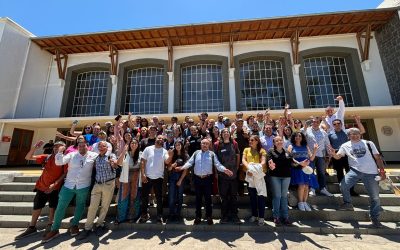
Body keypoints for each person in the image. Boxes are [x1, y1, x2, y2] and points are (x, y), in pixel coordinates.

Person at [42, 138, 98, 243]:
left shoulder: (93, 155)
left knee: (80, 206)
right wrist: (60, 151)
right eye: (79, 146)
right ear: (77, 147)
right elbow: (59, 162)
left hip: (83, 186)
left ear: (87, 146)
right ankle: (55, 229)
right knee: (60, 207)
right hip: (68, 185)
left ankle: (74, 225)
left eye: (84, 145)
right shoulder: (72, 155)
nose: (81, 147)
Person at [328, 128, 386, 228]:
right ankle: (348, 203)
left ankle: (374, 217)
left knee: (375, 197)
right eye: (352, 134)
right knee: (343, 185)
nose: (355, 135)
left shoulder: (368, 143)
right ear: (348, 136)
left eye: (357, 133)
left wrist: (382, 171)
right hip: (355, 171)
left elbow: (377, 157)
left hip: (371, 173)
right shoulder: (345, 145)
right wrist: (333, 154)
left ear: (360, 134)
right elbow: (338, 156)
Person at [15, 140, 67, 240]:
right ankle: (31, 227)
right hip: (41, 186)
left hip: (55, 188)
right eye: (55, 147)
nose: (57, 148)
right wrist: (34, 147)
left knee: (53, 207)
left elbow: (64, 173)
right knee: (37, 207)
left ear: (64, 148)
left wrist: (55, 184)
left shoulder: (64, 159)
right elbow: (28, 157)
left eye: (60, 147)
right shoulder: (46, 157)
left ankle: (50, 226)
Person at [176, 139, 233, 225]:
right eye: (203, 143)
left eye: (206, 143)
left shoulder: (212, 154)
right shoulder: (196, 153)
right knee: (198, 199)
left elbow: (217, 165)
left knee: (208, 199)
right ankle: (198, 216)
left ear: (209, 145)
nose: (205, 145)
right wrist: (182, 168)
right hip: (197, 179)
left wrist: (225, 170)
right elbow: (190, 162)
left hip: (207, 179)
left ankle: (209, 216)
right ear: (201, 144)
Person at [77, 141, 119, 240]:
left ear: (107, 147)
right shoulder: (96, 157)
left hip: (108, 184)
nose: (101, 147)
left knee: (104, 206)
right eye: (99, 146)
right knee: (92, 207)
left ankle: (100, 224)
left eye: (103, 146)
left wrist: (113, 164)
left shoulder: (111, 156)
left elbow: (115, 165)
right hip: (97, 184)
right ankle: (87, 227)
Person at [328, 115, 365, 196]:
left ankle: (351, 190)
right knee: (340, 173)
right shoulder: (330, 134)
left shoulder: (348, 132)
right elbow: (328, 145)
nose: (337, 125)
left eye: (338, 123)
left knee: (350, 173)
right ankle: (344, 190)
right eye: (335, 124)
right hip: (337, 155)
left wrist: (358, 121)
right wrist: (331, 154)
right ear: (332, 125)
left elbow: (362, 131)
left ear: (341, 124)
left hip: (348, 155)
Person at [139, 135, 169, 223]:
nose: (160, 139)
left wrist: (170, 155)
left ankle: (159, 216)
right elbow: (142, 161)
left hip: (159, 177)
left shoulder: (165, 151)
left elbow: (167, 161)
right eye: (159, 138)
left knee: (159, 198)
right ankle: (144, 214)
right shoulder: (148, 149)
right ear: (155, 139)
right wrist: (143, 174)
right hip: (147, 176)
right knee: (144, 197)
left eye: (162, 139)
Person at [214, 128, 241, 224]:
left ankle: (235, 216)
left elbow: (238, 155)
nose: (225, 133)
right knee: (224, 197)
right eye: (223, 132)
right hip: (222, 176)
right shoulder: (217, 145)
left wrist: (237, 167)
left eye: (227, 132)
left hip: (233, 175)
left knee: (233, 196)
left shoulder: (234, 143)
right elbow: (215, 159)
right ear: (221, 134)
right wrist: (217, 172)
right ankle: (224, 216)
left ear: (229, 134)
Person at [288, 132, 319, 211]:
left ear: (302, 138)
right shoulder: (291, 146)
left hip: (306, 168)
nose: (298, 137)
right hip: (297, 168)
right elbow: (289, 158)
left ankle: (305, 202)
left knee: (306, 186)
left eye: (300, 136)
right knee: (301, 185)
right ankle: (300, 203)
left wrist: (315, 150)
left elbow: (311, 158)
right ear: (294, 138)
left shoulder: (306, 146)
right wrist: (300, 163)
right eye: (296, 136)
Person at [242, 135, 267, 226]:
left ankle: (261, 217)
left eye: (252, 140)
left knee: (261, 197)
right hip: (250, 175)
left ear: (257, 141)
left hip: (259, 176)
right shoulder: (246, 150)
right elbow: (243, 160)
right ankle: (254, 215)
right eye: (249, 140)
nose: (250, 141)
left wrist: (254, 170)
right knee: (252, 197)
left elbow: (263, 162)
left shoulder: (262, 150)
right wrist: (249, 169)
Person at [267, 136, 293, 226]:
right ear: (274, 143)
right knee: (277, 196)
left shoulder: (287, 151)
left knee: (284, 197)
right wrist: (271, 166)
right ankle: (276, 217)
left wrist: (301, 164)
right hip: (275, 176)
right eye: (277, 141)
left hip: (286, 176)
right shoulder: (271, 151)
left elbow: (292, 163)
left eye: (280, 140)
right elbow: (269, 161)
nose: (279, 142)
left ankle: (285, 217)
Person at [305, 116, 333, 197]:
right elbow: (303, 138)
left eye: (317, 122)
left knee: (321, 173)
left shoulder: (323, 132)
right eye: (313, 121)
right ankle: (312, 189)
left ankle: (323, 188)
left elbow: (327, 143)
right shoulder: (307, 130)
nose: (315, 123)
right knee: (310, 172)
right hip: (310, 155)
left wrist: (329, 154)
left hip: (321, 155)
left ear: (319, 123)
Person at [116, 138, 141, 223]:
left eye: (135, 143)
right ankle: (121, 217)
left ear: (138, 145)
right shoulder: (126, 154)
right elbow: (118, 163)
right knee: (123, 196)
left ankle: (132, 216)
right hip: (125, 176)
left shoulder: (141, 154)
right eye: (132, 143)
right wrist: (123, 151)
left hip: (136, 177)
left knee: (134, 196)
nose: (133, 144)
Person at [165, 139, 188, 222]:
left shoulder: (185, 155)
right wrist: (173, 165)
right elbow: (169, 168)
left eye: (179, 145)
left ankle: (178, 214)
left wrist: (180, 180)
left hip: (181, 177)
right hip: (172, 177)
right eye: (176, 145)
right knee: (171, 196)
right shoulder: (172, 154)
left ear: (181, 146)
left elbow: (186, 169)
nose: (177, 146)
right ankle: (171, 214)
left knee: (179, 196)